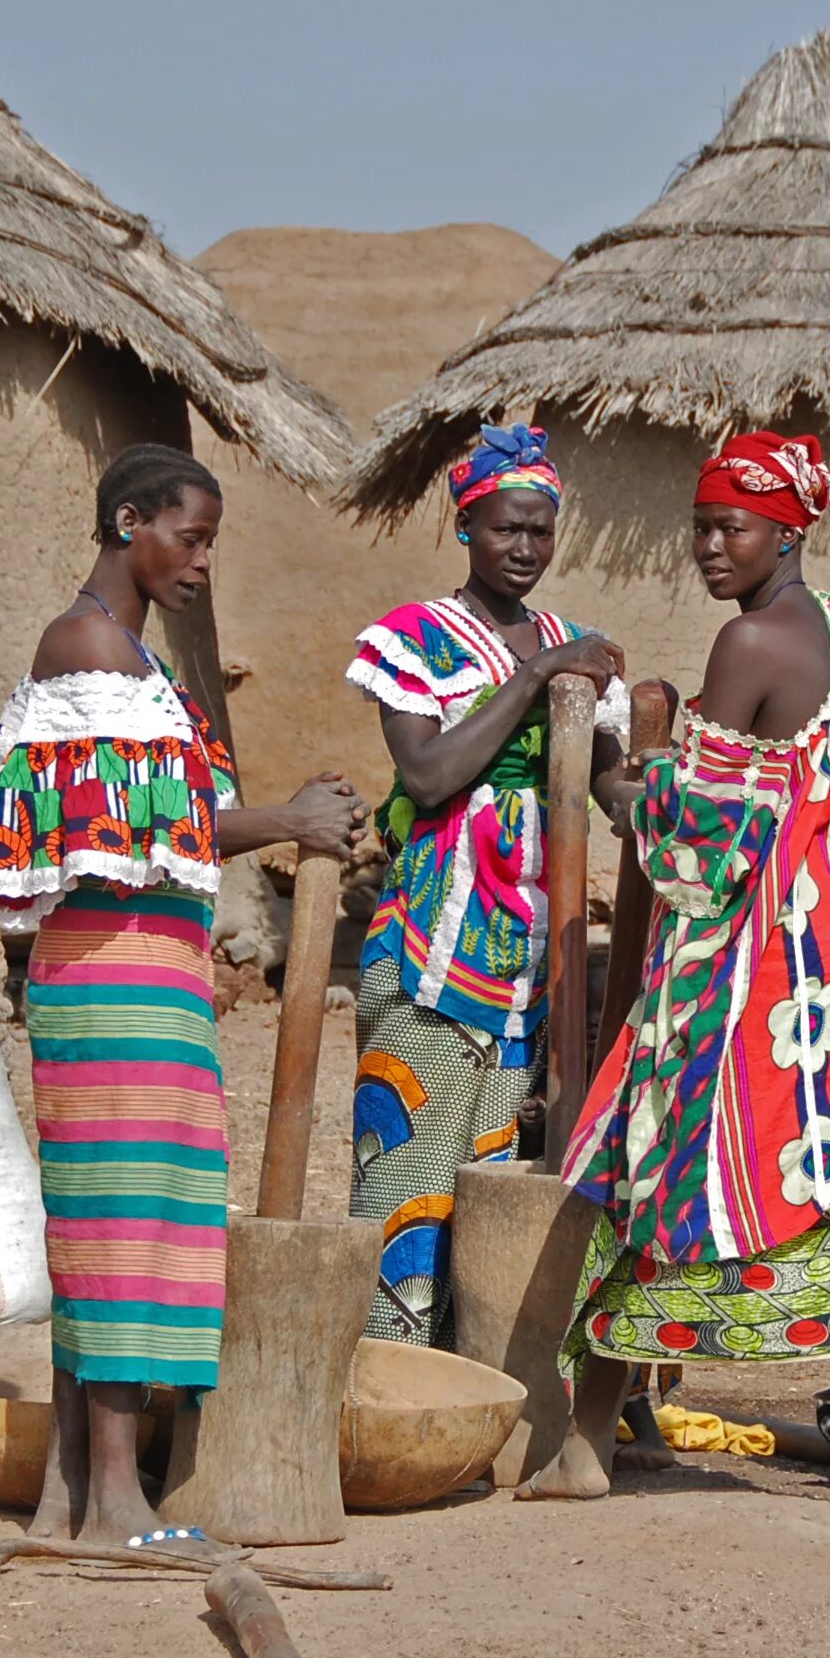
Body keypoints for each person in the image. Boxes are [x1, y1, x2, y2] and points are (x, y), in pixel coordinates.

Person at [519, 431, 830, 1537]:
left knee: (657, 1177)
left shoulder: (747, 641)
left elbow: (696, 848)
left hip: (743, 966)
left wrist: (622, 785)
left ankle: (582, 1448)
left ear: (785, 532)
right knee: (821, 1196)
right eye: (700, 525)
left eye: (731, 528)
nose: (708, 547)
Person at [0, 443, 367, 1546]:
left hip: (153, 966)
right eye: (188, 538)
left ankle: (70, 1492)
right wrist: (285, 823)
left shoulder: (135, 663)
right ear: (127, 522)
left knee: (141, 1213)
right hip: (109, 967)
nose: (201, 563)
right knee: (123, 1218)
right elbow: (103, 844)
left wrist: (288, 813)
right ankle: (115, 1499)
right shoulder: (84, 645)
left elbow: (162, 826)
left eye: (211, 545)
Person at [344, 425, 630, 1346]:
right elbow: (428, 776)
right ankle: (384, 1388)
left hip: (529, 961)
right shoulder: (414, 639)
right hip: (435, 943)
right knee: (406, 1177)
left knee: (496, 1180)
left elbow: (606, 776)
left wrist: (671, 795)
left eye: (542, 532)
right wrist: (536, 675)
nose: (525, 549)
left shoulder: (566, 639)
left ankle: (472, 1399)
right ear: (466, 525)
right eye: (508, 529)